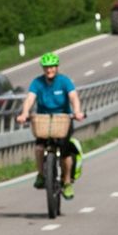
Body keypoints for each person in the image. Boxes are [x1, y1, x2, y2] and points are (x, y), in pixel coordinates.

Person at [16, 52, 85, 199]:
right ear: (43, 68)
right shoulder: (37, 83)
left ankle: (66, 182)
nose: (49, 70)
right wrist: (24, 113)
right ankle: (41, 174)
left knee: (65, 152)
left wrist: (77, 111)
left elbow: (73, 97)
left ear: (57, 67)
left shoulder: (64, 81)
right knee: (39, 147)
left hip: (63, 121)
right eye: (46, 67)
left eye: (52, 67)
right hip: (44, 121)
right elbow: (30, 99)